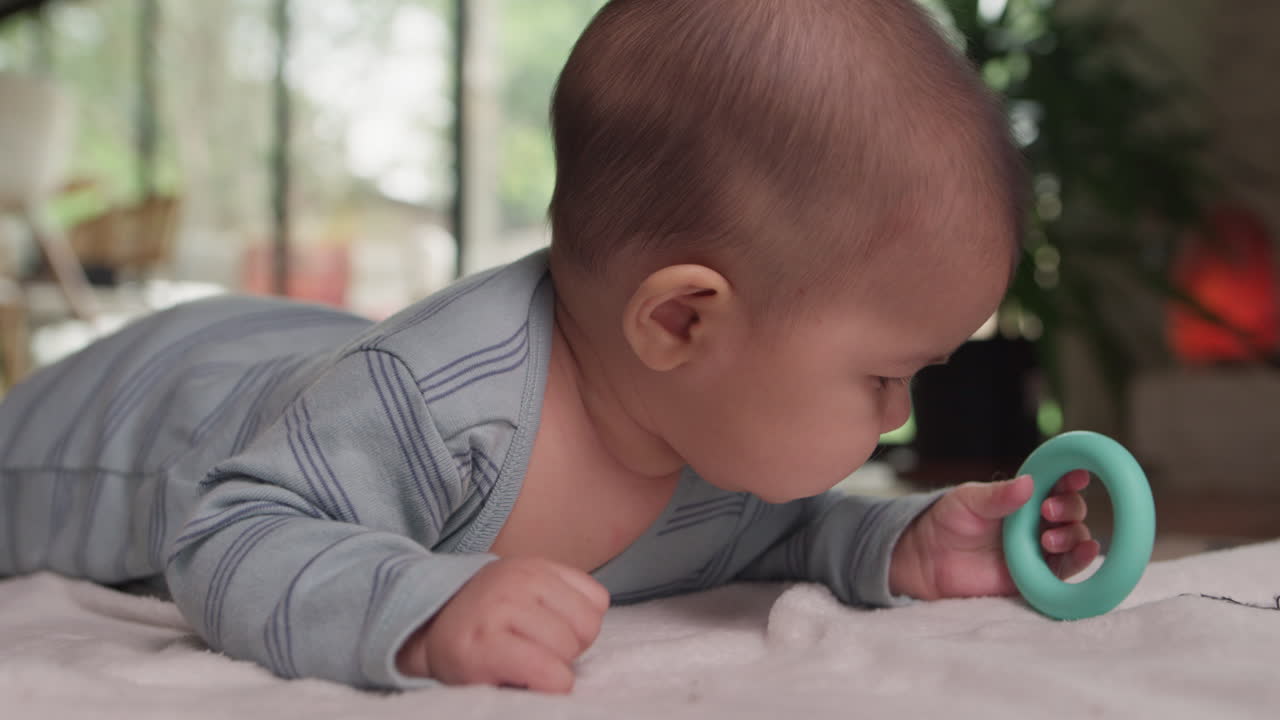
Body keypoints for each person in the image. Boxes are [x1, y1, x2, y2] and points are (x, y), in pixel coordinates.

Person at [0, 0, 1099, 693]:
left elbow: (782, 532)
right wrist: (420, 604)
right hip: (138, 412)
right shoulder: (435, 406)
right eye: (884, 375)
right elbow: (230, 533)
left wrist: (901, 546)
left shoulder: (701, 425)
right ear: (682, 320)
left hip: (321, 353)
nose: (899, 415)